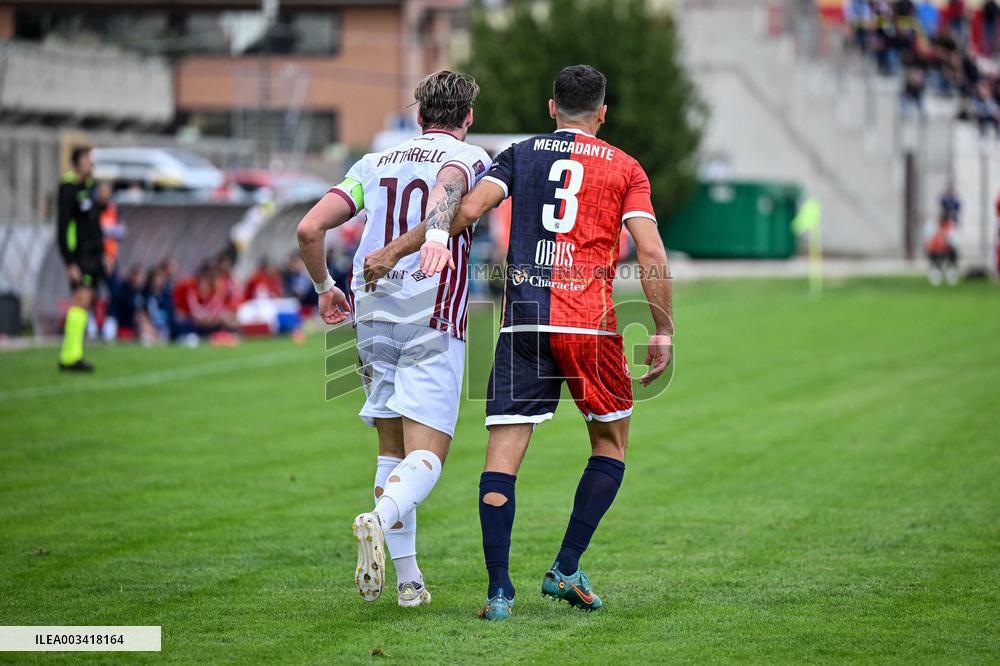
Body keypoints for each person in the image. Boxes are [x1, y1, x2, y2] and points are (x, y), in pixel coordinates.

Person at [366, 65, 674, 621]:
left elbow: (464, 210)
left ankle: (499, 592)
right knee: (609, 445)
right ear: (602, 113)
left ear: (551, 108)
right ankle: (566, 567)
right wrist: (663, 328)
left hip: (522, 323)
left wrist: (397, 250)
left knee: (501, 462)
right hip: (590, 323)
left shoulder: (520, 152)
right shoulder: (627, 168)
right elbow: (650, 254)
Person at [295, 70, 491, 608]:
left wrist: (323, 286)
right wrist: (432, 235)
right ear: (467, 118)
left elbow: (309, 229)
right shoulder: (470, 157)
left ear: (418, 115)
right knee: (428, 454)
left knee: (390, 449)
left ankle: (408, 583)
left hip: (370, 310)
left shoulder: (374, 161)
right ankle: (377, 519)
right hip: (431, 315)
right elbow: (450, 180)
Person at [56, 146, 102, 372]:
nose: (90, 164)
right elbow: (63, 229)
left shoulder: (90, 188)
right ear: (76, 164)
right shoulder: (68, 189)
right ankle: (69, 356)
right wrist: (70, 262)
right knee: (80, 300)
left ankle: (75, 353)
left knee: (86, 302)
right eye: (86, 160)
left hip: (94, 255)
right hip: (80, 256)